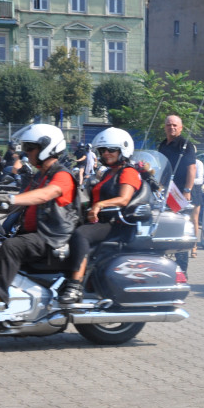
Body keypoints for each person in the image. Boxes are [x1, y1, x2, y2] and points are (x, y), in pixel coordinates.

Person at [0, 124, 77, 322]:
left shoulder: (62, 175)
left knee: (12, 246)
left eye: (30, 148)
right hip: (33, 233)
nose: (26, 153)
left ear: (47, 148)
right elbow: (21, 201)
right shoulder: (40, 175)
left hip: (51, 237)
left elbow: (45, 195)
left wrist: (10, 199)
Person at [57, 128, 142, 304]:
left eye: (111, 149)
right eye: (102, 150)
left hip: (115, 224)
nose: (106, 153)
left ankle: (74, 285)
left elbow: (124, 199)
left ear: (123, 149)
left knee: (81, 235)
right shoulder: (108, 172)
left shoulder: (128, 172)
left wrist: (99, 205)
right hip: (101, 221)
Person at [157, 114, 197, 272]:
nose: (171, 127)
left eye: (174, 125)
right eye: (168, 125)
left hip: (179, 192)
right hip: (164, 191)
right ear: (164, 127)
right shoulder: (162, 144)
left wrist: (187, 190)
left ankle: (182, 270)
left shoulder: (185, 145)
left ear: (180, 127)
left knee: (179, 228)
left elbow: (191, 168)